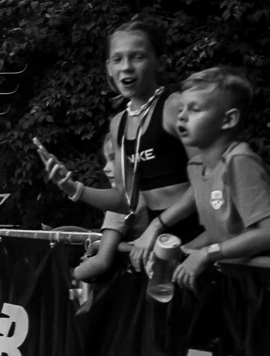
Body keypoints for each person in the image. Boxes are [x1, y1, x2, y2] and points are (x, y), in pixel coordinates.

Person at [40, 19, 193, 280]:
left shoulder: (174, 106)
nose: (127, 67)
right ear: (108, 68)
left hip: (195, 233)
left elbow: (209, 180)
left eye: (137, 57)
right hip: (159, 242)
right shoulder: (119, 123)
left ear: (160, 62)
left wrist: (157, 226)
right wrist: (73, 187)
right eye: (117, 59)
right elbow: (125, 201)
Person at [130, 68, 270, 286]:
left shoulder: (239, 161)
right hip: (234, 281)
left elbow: (266, 233)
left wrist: (206, 254)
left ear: (228, 119)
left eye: (195, 109)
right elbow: (221, 231)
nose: (182, 116)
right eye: (181, 109)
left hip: (260, 284)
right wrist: (183, 252)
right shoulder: (196, 167)